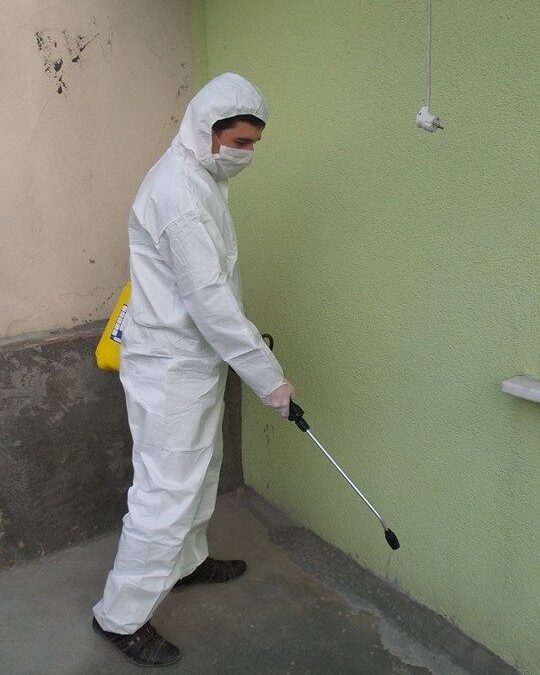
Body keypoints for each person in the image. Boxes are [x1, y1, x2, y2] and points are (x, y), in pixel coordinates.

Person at [91, 73, 294, 667]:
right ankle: (119, 616)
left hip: (193, 360)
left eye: (254, 144)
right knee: (165, 493)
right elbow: (209, 300)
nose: (246, 154)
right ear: (208, 130)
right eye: (239, 142)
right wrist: (268, 377)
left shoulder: (202, 176)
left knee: (201, 472)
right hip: (169, 368)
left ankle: (187, 562)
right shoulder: (179, 193)